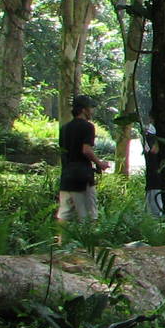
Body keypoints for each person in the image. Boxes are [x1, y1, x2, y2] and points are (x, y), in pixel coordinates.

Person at [57, 94, 109, 242]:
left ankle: (61, 243)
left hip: (66, 176)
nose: (92, 111)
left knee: (64, 213)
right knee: (90, 215)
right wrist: (100, 163)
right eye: (90, 108)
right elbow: (86, 150)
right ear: (83, 110)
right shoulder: (88, 127)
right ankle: (90, 244)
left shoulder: (64, 128)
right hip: (82, 176)